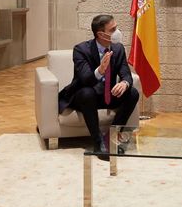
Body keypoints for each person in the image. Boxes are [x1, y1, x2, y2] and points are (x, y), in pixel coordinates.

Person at [58, 14, 140, 159]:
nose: (117, 32)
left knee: (132, 93)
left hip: (107, 94)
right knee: (87, 93)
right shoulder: (81, 50)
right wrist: (100, 70)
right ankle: (98, 143)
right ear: (101, 34)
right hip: (84, 96)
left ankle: (110, 137)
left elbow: (126, 73)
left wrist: (124, 83)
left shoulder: (118, 48)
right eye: (113, 29)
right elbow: (84, 79)